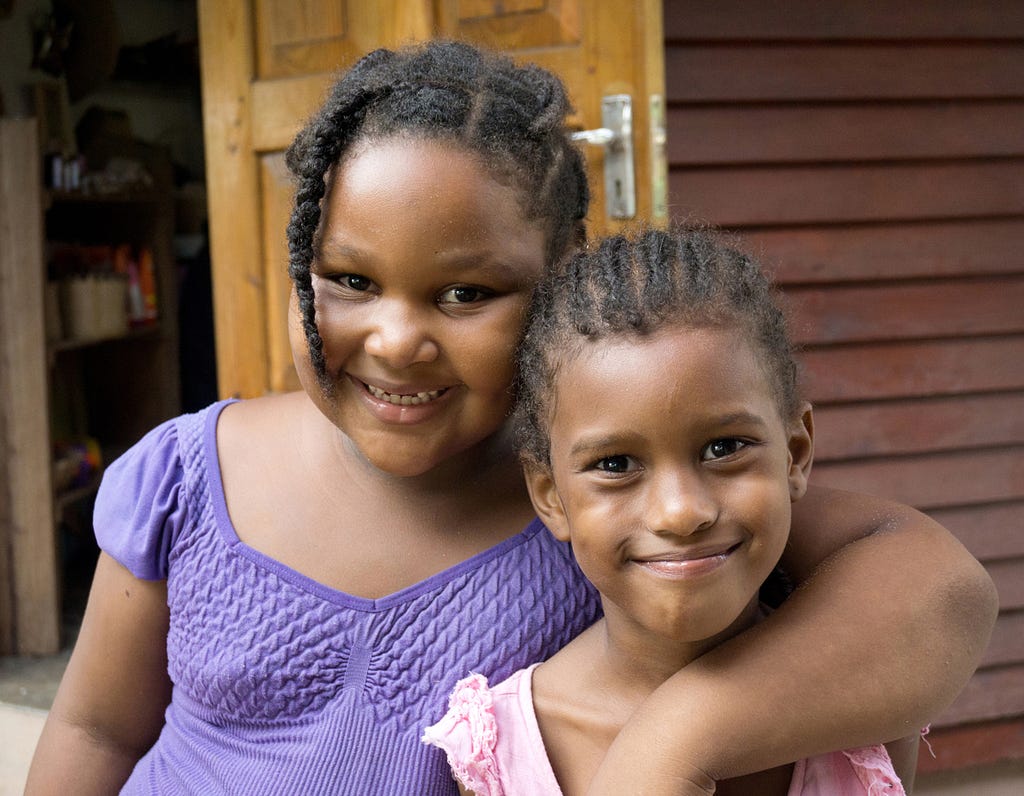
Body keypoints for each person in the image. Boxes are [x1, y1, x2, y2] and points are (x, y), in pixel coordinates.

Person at [26, 41, 995, 796]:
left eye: (464, 293)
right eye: (349, 280)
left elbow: (943, 593)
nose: (397, 339)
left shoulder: (598, 493)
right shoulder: (190, 479)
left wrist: (677, 735)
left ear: (559, 277)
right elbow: (95, 731)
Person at [424, 226, 923, 795]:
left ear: (796, 454)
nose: (681, 512)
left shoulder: (863, 713)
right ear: (550, 496)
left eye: (725, 448)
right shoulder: (509, 750)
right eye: (615, 464)